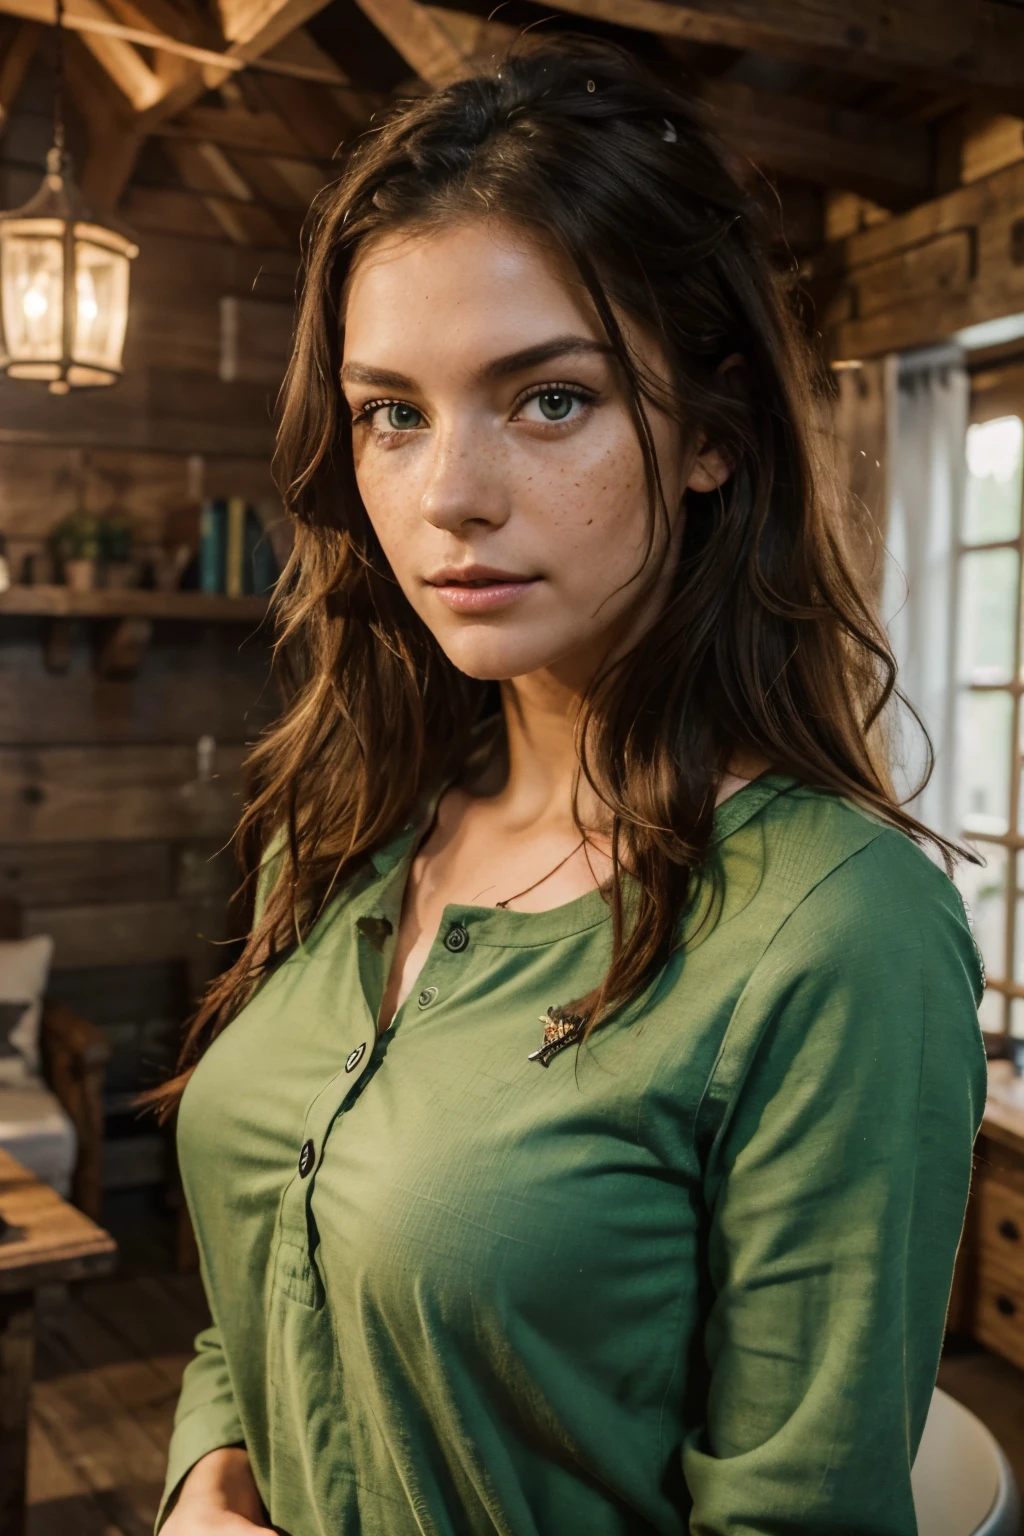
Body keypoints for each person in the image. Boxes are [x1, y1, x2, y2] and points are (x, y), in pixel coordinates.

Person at [153, 38, 986, 1536]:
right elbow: (267, 1266)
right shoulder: (338, 835)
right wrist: (206, 1477)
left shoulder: (833, 933)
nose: (448, 494)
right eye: (391, 412)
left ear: (712, 438)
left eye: (546, 401)